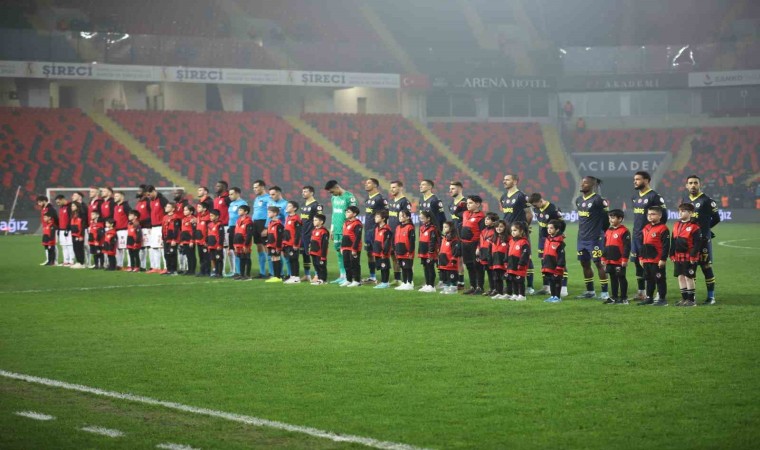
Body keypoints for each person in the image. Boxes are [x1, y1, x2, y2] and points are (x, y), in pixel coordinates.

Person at [683, 175, 720, 304]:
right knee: (690, 267)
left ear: (700, 185)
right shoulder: (685, 200)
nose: (693, 185)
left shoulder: (707, 201)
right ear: (686, 185)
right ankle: (691, 297)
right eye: (690, 183)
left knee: (706, 267)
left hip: (703, 240)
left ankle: (711, 297)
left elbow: (717, 218)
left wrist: (705, 230)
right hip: (689, 241)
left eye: (695, 183)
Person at [631, 171, 667, 301]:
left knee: (653, 265)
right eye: (634, 179)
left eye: (638, 179)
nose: (635, 181)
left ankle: (658, 293)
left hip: (650, 237)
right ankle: (642, 292)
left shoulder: (654, 196)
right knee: (637, 263)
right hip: (636, 236)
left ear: (646, 180)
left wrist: (655, 233)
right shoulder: (635, 197)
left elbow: (664, 216)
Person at [575, 176, 610, 299]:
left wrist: (601, 233)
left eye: (585, 183)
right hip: (581, 238)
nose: (582, 185)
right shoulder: (578, 200)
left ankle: (605, 293)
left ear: (593, 185)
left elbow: (606, 220)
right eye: (582, 182)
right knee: (584, 263)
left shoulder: (598, 200)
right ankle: (590, 291)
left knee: (599, 263)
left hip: (595, 238)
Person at [528, 192, 568, 297]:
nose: (535, 207)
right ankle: (546, 287)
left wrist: (559, 235)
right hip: (543, 239)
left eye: (536, 205)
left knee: (559, 262)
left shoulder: (552, 209)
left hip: (554, 240)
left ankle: (564, 288)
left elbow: (562, 223)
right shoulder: (536, 209)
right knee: (544, 262)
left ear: (541, 201)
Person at [500, 174, 535, 294]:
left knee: (526, 257)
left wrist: (524, 229)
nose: (504, 181)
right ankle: (511, 285)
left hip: (520, 233)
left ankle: (529, 286)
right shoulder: (503, 197)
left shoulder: (521, 196)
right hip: (508, 233)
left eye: (507, 180)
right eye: (504, 179)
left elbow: (529, 214)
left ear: (515, 181)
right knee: (510, 258)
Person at [324, 180, 358, 284]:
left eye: (332, 191)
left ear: (337, 187)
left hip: (347, 230)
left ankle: (351, 276)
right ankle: (342, 275)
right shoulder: (333, 198)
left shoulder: (349, 197)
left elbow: (354, 213)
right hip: (337, 229)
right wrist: (332, 228)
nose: (331, 193)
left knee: (347, 253)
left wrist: (349, 228)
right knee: (339, 252)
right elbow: (334, 213)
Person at [670, 203, 702, 307]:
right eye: (679, 211)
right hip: (678, 256)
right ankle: (684, 299)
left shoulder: (695, 227)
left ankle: (691, 300)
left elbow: (697, 244)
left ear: (691, 213)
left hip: (689, 256)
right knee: (680, 277)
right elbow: (673, 240)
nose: (680, 213)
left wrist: (693, 256)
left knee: (689, 277)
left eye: (683, 211)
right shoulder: (676, 224)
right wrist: (671, 253)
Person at [637, 206, 670, 306]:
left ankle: (662, 299)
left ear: (660, 215)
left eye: (653, 214)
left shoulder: (663, 228)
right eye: (649, 214)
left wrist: (663, 259)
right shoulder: (646, 227)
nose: (650, 216)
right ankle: (649, 298)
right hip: (646, 260)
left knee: (660, 279)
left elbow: (666, 246)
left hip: (657, 260)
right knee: (649, 279)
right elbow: (642, 244)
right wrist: (641, 258)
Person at [601, 209, 631, 305]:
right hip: (609, 260)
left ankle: (624, 298)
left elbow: (627, 247)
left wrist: (625, 259)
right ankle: (614, 297)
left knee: (621, 277)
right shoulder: (608, 230)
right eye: (609, 218)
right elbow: (604, 245)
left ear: (620, 219)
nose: (610, 220)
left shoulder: (624, 231)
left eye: (613, 218)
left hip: (619, 260)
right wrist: (603, 258)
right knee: (613, 278)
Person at [362, 178, 388, 284]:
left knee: (379, 253)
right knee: (369, 253)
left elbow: (386, 213)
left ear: (375, 185)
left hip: (377, 230)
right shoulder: (367, 199)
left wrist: (382, 227)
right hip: (368, 230)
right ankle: (372, 277)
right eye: (366, 183)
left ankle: (384, 278)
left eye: (369, 183)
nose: (366, 184)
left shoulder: (380, 199)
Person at [388, 180, 411, 285]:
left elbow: (407, 219)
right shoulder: (391, 201)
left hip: (401, 234)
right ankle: (397, 278)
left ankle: (408, 279)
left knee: (404, 256)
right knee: (393, 255)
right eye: (391, 187)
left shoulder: (404, 202)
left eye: (394, 187)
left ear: (400, 188)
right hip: (391, 232)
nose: (391, 189)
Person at [461, 195, 486, 295]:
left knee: (477, 266)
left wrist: (479, 247)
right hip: (465, 244)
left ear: (478, 204)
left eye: (470, 203)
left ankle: (480, 287)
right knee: (469, 265)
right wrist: (461, 204)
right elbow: (456, 212)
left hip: (475, 244)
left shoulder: (481, 217)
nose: (468, 205)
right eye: (467, 203)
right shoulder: (465, 213)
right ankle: (473, 286)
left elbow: (483, 234)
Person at [299, 186, 323, 282]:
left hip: (312, 234)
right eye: (303, 191)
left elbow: (320, 219)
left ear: (311, 193)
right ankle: (307, 275)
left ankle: (317, 275)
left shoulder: (317, 205)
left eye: (305, 191)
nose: (303, 193)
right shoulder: (303, 204)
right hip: (303, 233)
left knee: (314, 254)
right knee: (305, 254)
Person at [541, 220, 566, 303]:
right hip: (548, 264)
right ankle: (552, 296)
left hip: (556, 266)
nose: (549, 230)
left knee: (557, 280)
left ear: (557, 229)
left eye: (551, 228)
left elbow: (561, 255)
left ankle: (557, 297)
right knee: (551, 280)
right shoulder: (548, 239)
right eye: (548, 228)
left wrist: (560, 266)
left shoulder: (559, 242)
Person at [448, 181, 468, 290]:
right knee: (456, 258)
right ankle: (460, 281)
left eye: (453, 188)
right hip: (454, 235)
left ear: (460, 189)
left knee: (465, 260)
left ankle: (474, 282)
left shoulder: (466, 203)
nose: (450, 191)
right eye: (450, 188)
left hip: (463, 235)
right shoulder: (450, 204)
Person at [266, 186, 289, 277]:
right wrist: (266, 227)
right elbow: (268, 217)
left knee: (282, 254)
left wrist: (285, 230)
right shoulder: (270, 203)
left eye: (273, 194)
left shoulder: (285, 204)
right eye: (270, 195)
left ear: (279, 193)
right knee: (272, 254)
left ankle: (288, 274)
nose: (271, 196)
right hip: (271, 230)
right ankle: (276, 274)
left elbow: (287, 218)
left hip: (280, 231)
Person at [251, 180, 271, 278]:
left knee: (267, 247)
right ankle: (262, 272)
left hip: (263, 223)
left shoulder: (268, 198)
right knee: (259, 247)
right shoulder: (257, 198)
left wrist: (266, 227)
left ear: (262, 187)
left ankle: (271, 272)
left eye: (256, 187)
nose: (254, 189)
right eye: (253, 188)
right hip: (255, 224)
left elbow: (269, 214)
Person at [506, 221, 531, 301]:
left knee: (519, 280)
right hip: (512, 264)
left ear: (521, 231)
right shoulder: (511, 241)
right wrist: (506, 261)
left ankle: (522, 295)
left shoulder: (524, 242)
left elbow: (525, 254)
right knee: (513, 280)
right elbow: (508, 252)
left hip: (520, 265)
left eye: (515, 230)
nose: (513, 232)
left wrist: (521, 263)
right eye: (512, 230)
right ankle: (515, 294)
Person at [226, 187, 248, 277]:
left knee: (241, 250)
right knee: (234, 250)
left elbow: (244, 216)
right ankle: (237, 271)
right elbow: (230, 216)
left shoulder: (243, 203)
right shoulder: (231, 204)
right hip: (231, 227)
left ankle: (243, 271)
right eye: (229, 194)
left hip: (239, 228)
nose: (229, 196)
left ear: (237, 193)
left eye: (231, 194)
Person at [340, 205, 363, 288]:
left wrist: (354, 249)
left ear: (354, 214)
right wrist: (342, 247)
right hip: (345, 247)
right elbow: (344, 235)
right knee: (346, 264)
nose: (346, 213)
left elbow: (358, 237)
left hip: (353, 248)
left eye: (348, 212)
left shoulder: (357, 223)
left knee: (355, 264)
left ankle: (357, 281)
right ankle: (348, 280)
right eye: (346, 212)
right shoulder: (346, 223)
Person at [393, 209, 416, 291]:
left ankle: (409, 283)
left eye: (402, 216)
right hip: (399, 251)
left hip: (407, 252)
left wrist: (410, 252)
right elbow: (395, 239)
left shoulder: (410, 227)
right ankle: (404, 282)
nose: (400, 217)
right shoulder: (398, 227)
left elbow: (412, 241)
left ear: (408, 217)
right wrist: (395, 249)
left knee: (408, 268)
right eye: (399, 216)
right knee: (402, 267)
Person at [147, 186, 168, 272]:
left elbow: (168, 211)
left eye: (149, 194)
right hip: (154, 227)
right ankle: (157, 267)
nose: (148, 196)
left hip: (161, 226)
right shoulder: (151, 201)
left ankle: (166, 267)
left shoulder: (162, 199)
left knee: (162, 247)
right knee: (154, 247)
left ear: (154, 191)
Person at [477, 212, 499, 296]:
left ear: (494, 221)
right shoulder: (483, 231)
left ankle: (496, 289)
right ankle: (491, 288)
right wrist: (478, 248)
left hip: (491, 254)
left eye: (488, 219)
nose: (486, 221)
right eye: (485, 219)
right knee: (489, 272)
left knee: (494, 273)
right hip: (484, 254)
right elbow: (480, 241)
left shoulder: (495, 231)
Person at [417, 210, 439, 293]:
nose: (421, 220)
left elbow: (432, 242)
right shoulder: (422, 228)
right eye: (420, 218)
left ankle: (432, 286)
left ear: (428, 218)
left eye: (423, 218)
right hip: (423, 252)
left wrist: (431, 252)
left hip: (430, 253)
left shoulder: (432, 229)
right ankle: (427, 284)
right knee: (425, 267)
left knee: (430, 268)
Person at [438, 221, 461, 295]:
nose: (444, 228)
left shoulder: (454, 239)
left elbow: (456, 251)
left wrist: (454, 259)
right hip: (443, 261)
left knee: (451, 274)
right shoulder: (444, 238)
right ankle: (446, 287)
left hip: (450, 261)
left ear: (451, 228)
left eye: (446, 227)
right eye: (443, 227)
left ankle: (453, 287)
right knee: (444, 275)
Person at [282, 201, 303, 284]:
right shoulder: (288, 217)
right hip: (287, 243)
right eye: (287, 206)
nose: (287, 207)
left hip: (293, 244)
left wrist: (296, 244)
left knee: (294, 259)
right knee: (290, 260)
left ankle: (296, 278)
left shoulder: (296, 218)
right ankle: (292, 276)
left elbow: (298, 233)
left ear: (294, 208)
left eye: (289, 206)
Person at [372, 210, 393, 289]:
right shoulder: (377, 228)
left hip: (383, 253)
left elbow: (387, 242)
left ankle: (385, 282)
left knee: (385, 267)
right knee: (381, 267)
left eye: (377, 217)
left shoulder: (387, 229)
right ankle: (383, 282)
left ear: (383, 218)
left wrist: (384, 252)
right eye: (375, 216)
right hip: (377, 252)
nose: (375, 218)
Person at [233, 205, 254, 280]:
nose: (239, 211)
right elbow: (236, 232)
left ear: (246, 212)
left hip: (245, 244)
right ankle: (242, 275)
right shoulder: (238, 221)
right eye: (239, 210)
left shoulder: (249, 221)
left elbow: (249, 234)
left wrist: (246, 245)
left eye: (241, 210)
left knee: (247, 258)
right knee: (241, 259)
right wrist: (235, 244)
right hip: (238, 244)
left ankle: (247, 275)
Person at [489, 220, 509, 299]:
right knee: (497, 278)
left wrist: (507, 260)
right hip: (495, 261)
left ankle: (509, 293)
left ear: (505, 227)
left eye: (501, 227)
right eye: (497, 227)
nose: (498, 228)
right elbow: (490, 251)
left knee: (507, 278)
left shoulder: (508, 238)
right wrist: (490, 260)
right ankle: (499, 293)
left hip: (504, 261)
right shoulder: (493, 238)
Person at [264, 206, 285, 283]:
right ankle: (275, 276)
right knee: (273, 258)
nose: (268, 214)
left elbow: (279, 237)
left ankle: (278, 276)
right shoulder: (270, 222)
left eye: (270, 212)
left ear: (275, 213)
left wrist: (278, 247)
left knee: (276, 258)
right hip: (271, 244)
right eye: (268, 212)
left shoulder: (279, 224)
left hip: (276, 245)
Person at [309, 213, 330, 285]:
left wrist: (323, 256)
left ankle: (323, 280)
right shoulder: (314, 230)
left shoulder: (324, 231)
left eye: (316, 220)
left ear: (321, 222)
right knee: (316, 266)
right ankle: (319, 279)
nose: (314, 221)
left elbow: (325, 245)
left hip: (320, 253)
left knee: (321, 266)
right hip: (313, 252)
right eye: (313, 220)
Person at [36, 195, 58, 265]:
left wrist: (54, 227)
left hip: (51, 228)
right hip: (46, 228)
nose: (38, 204)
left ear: (44, 201)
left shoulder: (50, 208)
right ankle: (48, 260)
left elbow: (56, 218)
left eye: (40, 202)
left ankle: (54, 261)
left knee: (52, 244)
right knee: (46, 244)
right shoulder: (43, 208)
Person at [134, 185, 152, 271]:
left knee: (149, 247)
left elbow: (151, 215)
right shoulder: (138, 203)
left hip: (147, 228)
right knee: (141, 248)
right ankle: (143, 266)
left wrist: (141, 221)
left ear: (144, 193)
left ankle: (152, 266)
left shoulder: (148, 202)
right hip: (140, 228)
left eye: (140, 191)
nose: (138, 192)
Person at [113, 191, 131, 269]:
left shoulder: (126, 206)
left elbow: (130, 217)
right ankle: (119, 265)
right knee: (118, 248)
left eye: (117, 196)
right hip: (117, 230)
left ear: (122, 197)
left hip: (124, 230)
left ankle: (129, 265)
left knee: (127, 248)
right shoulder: (115, 207)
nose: (115, 197)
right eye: (114, 196)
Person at [161, 202, 180, 276]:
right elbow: (163, 229)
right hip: (166, 239)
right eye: (166, 206)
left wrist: (174, 239)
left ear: (173, 209)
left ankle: (174, 270)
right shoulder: (164, 217)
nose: (166, 208)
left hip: (172, 239)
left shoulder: (175, 217)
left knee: (172, 254)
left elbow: (176, 229)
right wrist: (163, 239)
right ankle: (168, 270)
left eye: (168, 207)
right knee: (166, 254)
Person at [54, 194, 73, 266]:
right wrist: (59, 229)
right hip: (61, 229)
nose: (57, 204)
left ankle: (71, 261)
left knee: (70, 245)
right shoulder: (61, 207)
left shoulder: (69, 206)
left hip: (68, 230)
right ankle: (66, 261)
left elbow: (71, 218)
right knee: (63, 246)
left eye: (58, 202)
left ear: (62, 199)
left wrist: (68, 228)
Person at [206, 209, 225, 278]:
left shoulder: (220, 225)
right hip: (211, 245)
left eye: (212, 216)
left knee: (219, 259)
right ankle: (216, 272)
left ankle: (220, 273)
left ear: (217, 216)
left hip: (217, 246)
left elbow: (221, 236)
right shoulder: (209, 224)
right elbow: (208, 234)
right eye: (210, 216)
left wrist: (220, 245)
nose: (210, 217)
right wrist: (207, 243)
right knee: (213, 259)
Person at [194, 202, 211, 277]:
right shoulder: (198, 216)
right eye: (197, 207)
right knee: (201, 257)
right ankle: (202, 271)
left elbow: (209, 230)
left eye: (199, 207)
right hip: (199, 240)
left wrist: (206, 240)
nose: (197, 208)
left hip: (205, 241)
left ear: (204, 209)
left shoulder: (208, 217)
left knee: (206, 257)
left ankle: (207, 271)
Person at [180, 205, 197, 276]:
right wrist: (181, 241)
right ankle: (189, 269)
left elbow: (194, 231)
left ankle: (192, 270)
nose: (184, 211)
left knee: (191, 255)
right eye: (184, 210)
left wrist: (192, 241)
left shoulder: (193, 219)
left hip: (190, 240)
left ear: (191, 212)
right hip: (184, 240)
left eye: (186, 210)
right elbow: (182, 230)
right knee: (188, 255)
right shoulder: (183, 219)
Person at [69, 201, 86, 269]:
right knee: (75, 248)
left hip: (79, 234)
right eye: (71, 206)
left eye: (73, 206)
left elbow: (82, 226)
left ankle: (81, 263)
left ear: (77, 206)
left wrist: (81, 235)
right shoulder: (72, 214)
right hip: (73, 234)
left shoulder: (81, 214)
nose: (72, 207)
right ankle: (78, 262)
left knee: (79, 248)